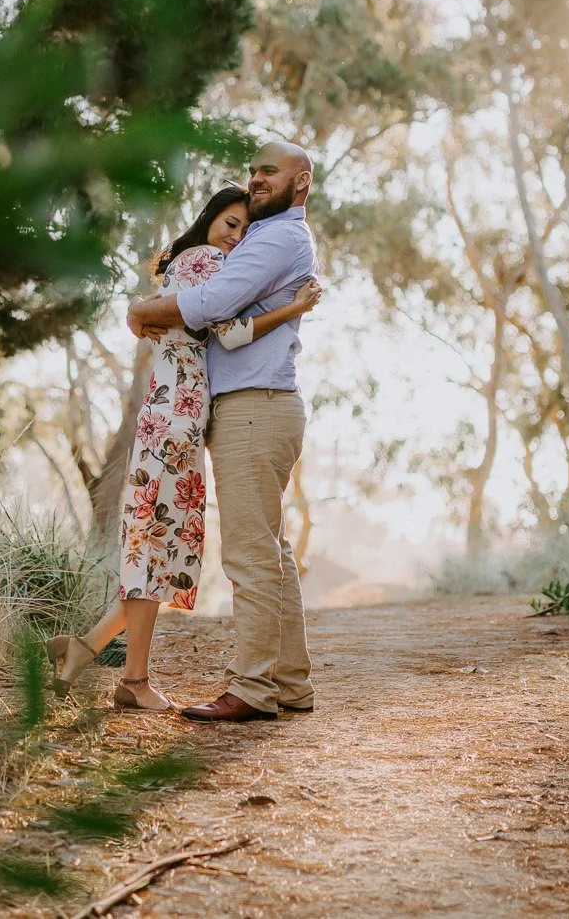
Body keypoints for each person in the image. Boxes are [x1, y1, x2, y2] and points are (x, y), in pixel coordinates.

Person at [46, 184, 322, 711]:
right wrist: (293, 308)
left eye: (243, 230)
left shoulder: (195, 264)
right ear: (210, 220)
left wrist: (143, 310)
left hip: (178, 418)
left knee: (162, 545)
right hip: (175, 419)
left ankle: (86, 650)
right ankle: (132, 680)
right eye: (230, 223)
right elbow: (231, 334)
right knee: (155, 545)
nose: (235, 237)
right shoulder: (202, 263)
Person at [127, 140, 319, 723]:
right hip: (259, 405)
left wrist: (142, 311)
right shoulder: (266, 236)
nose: (258, 179)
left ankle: (254, 690)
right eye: (254, 171)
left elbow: (215, 304)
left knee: (250, 555)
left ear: (301, 183)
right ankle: (290, 683)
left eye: (271, 172)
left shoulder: (282, 237)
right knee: (271, 550)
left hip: (254, 407)